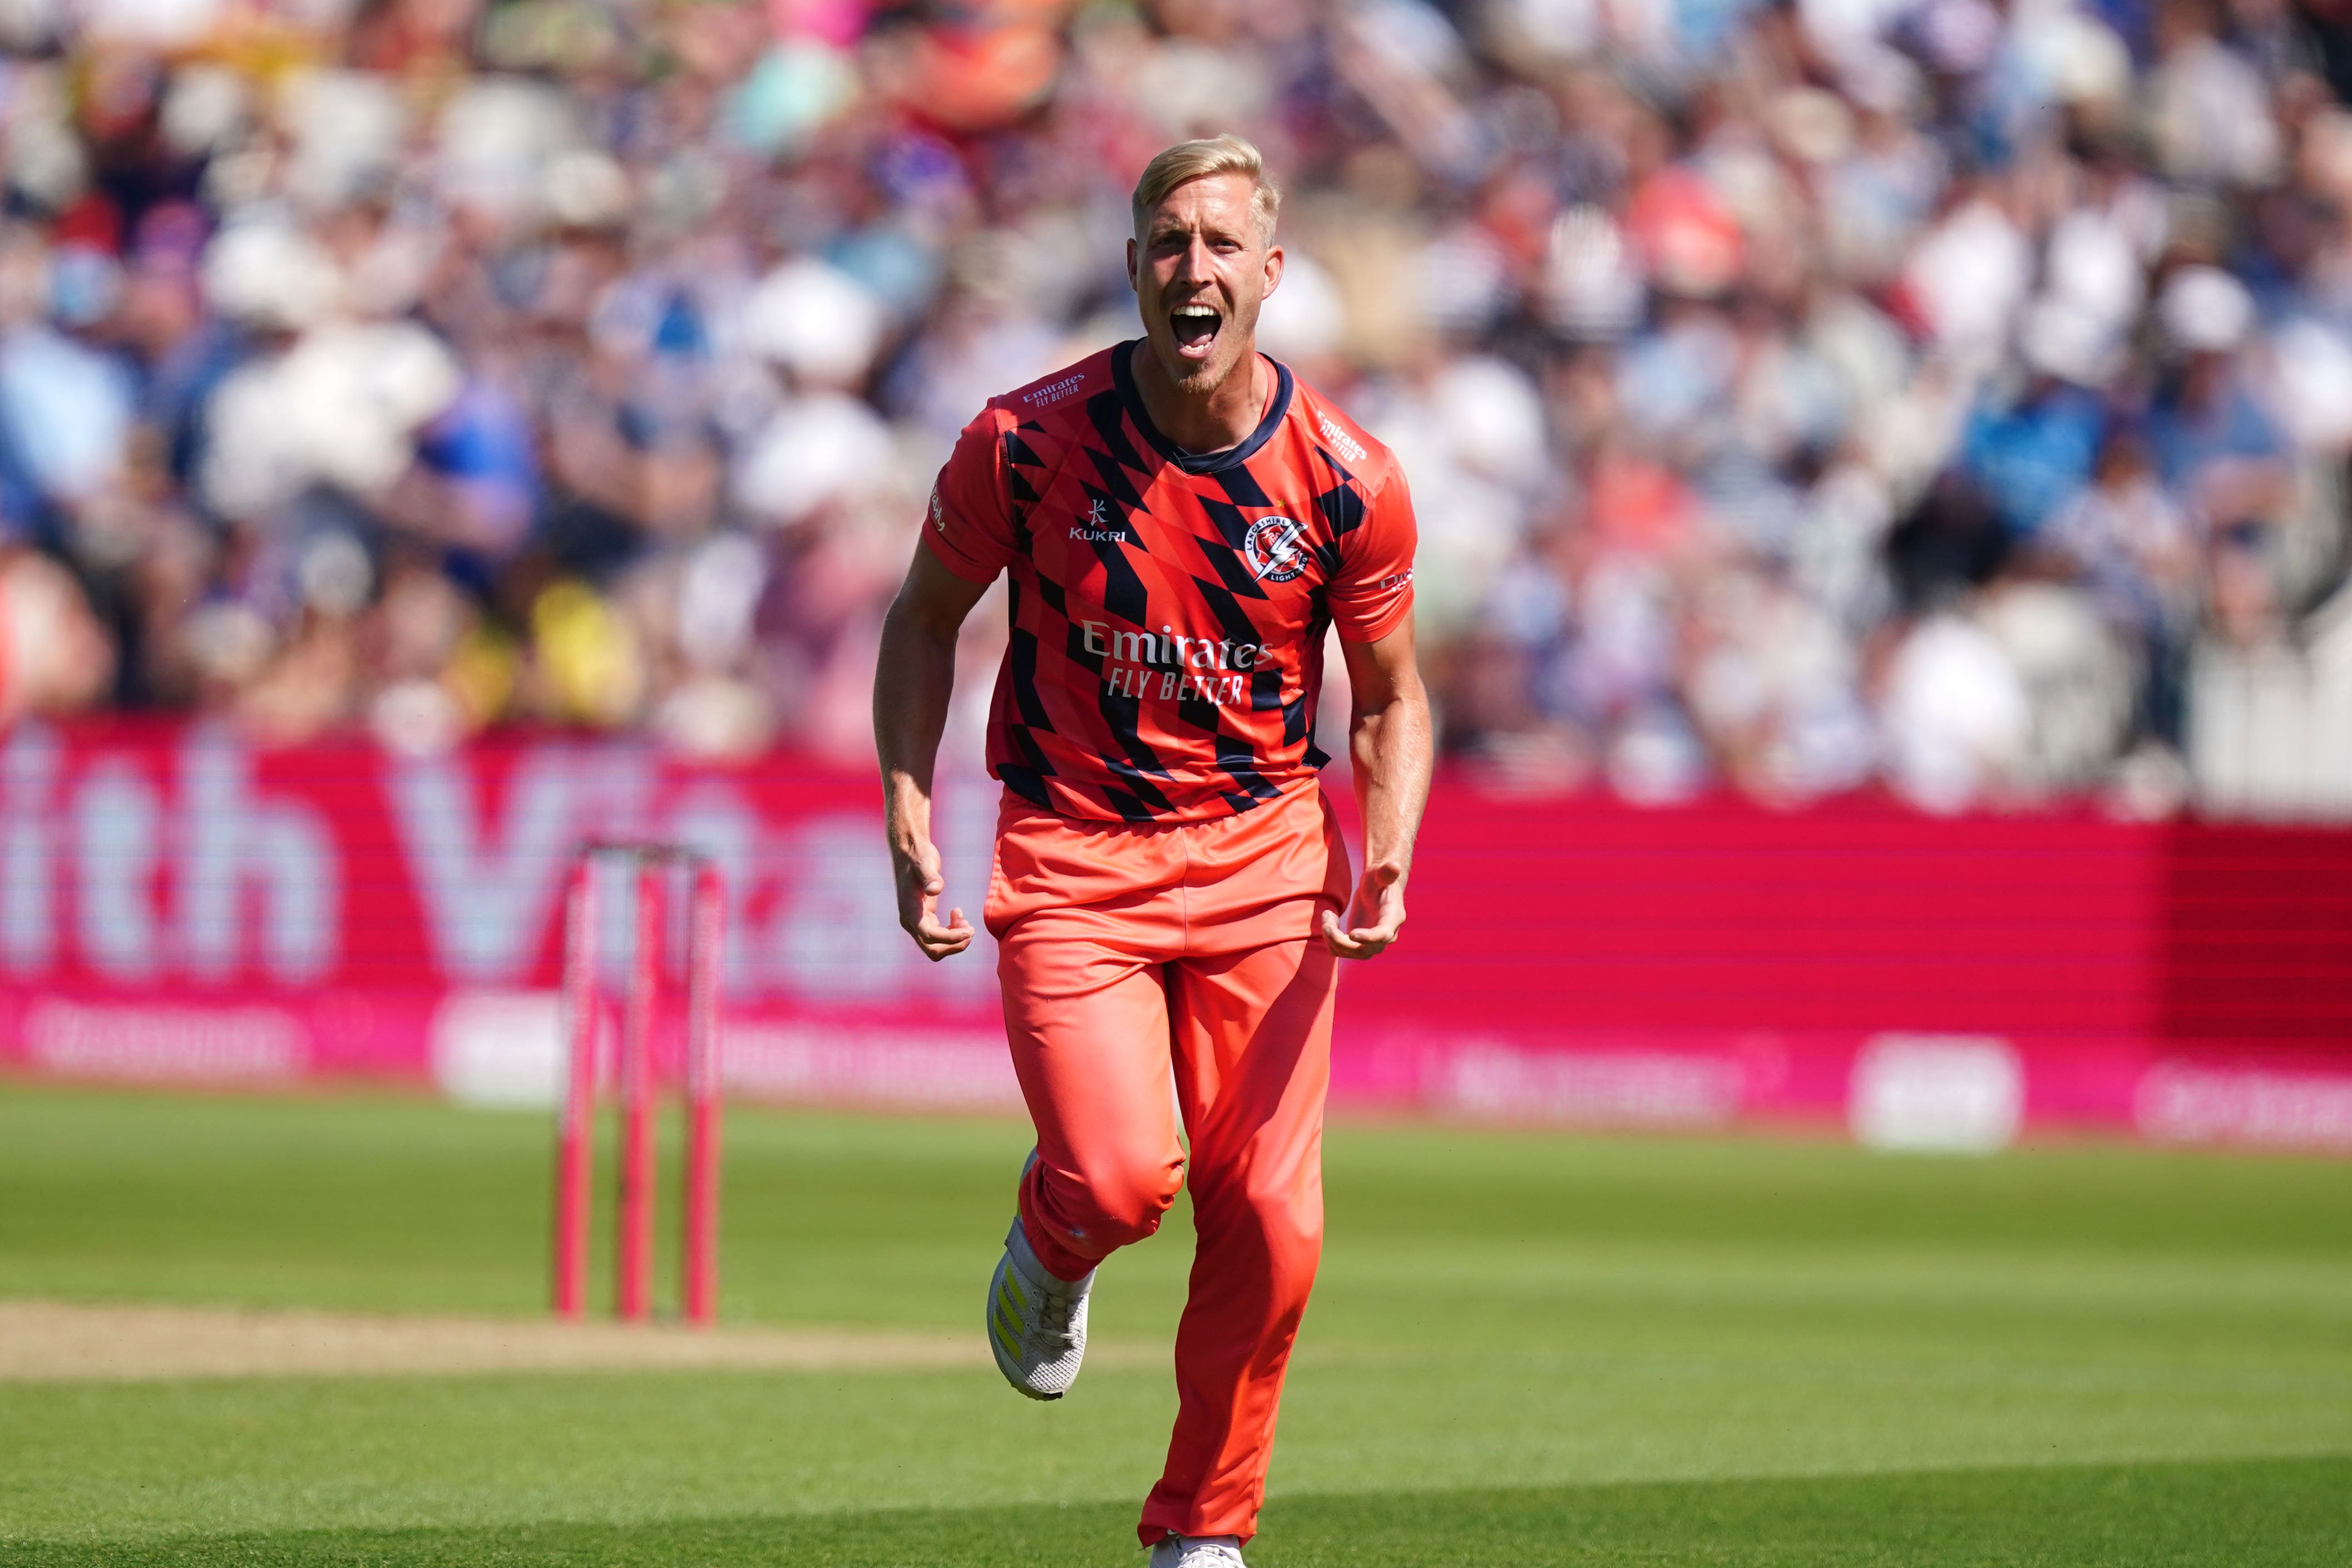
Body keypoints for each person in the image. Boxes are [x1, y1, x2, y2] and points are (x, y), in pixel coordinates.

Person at [871, 135, 1433, 1567]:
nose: (1194, 268)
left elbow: (1390, 697)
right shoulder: (1025, 440)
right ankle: (1049, 1246)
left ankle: (1202, 1530)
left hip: (1259, 864)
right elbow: (925, 618)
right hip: (1071, 849)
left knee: (1270, 1219)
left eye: (1221, 245)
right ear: (1133, 268)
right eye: (1168, 243)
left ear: (1269, 273)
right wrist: (907, 806)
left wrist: (1390, 850)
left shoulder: (1346, 477)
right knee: (1124, 1179)